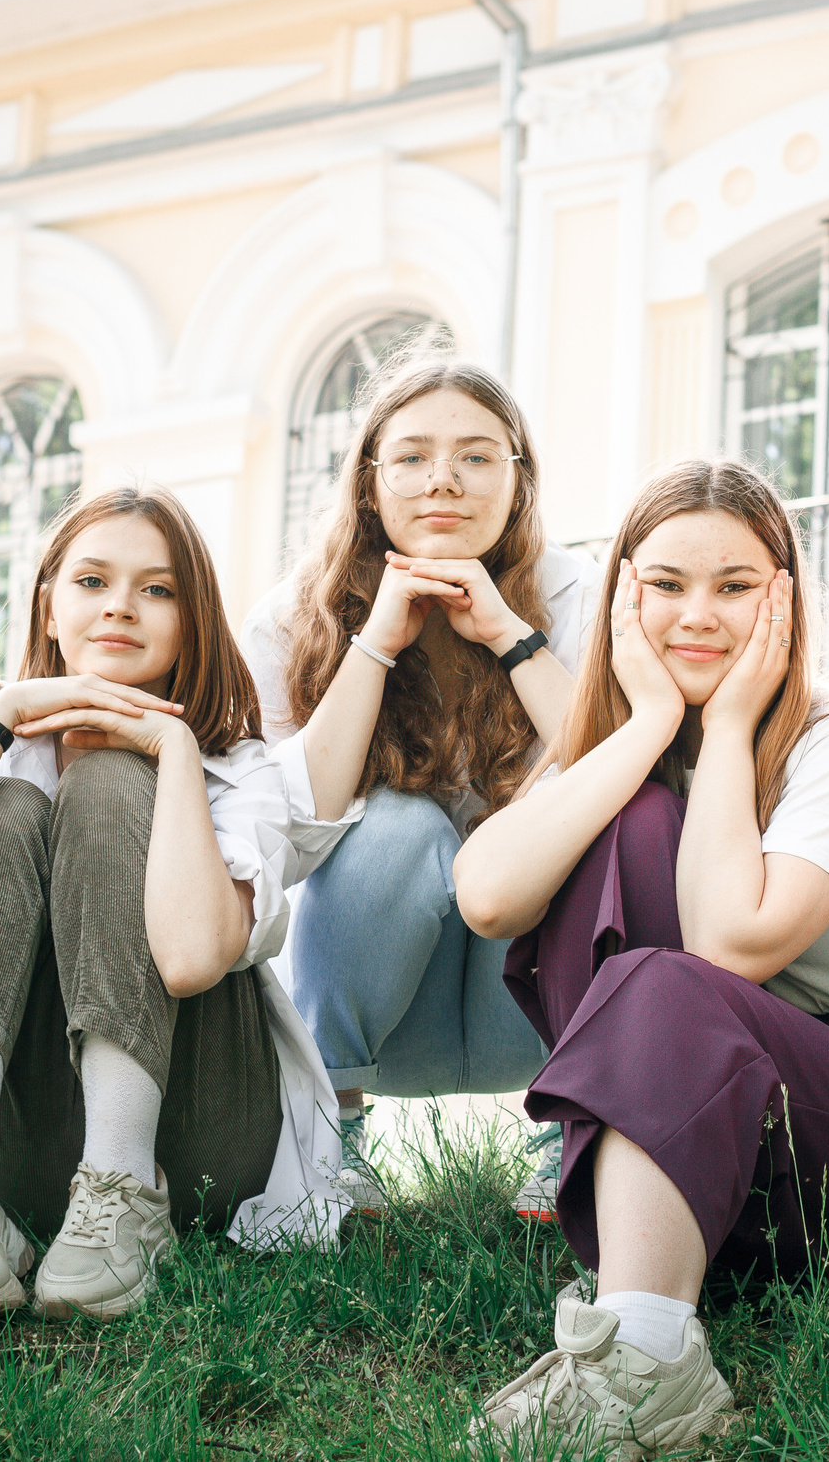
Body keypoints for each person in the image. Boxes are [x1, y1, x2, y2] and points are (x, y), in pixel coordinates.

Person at [451, 459, 829, 1458]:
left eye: (735, 587)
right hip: (717, 1135)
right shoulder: (623, 745)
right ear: (622, 596)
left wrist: (732, 724)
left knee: (661, 970)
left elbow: (727, 945)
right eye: (665, 585)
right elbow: (487, 895)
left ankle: (644, 1361)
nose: (697, 615)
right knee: (629, 813)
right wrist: (649, 724)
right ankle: (645, 1273)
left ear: (783, 598)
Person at [0, 485, 323, 1327]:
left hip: (197, 1133)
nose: (120, 607)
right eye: (92, 581)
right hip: (18, 1137)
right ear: (48, 603)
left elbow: (188, 958)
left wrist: (173, 750)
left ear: (191, 617)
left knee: (111, 779)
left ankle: (124, 1195)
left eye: (157, 588)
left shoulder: (241, 765)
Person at [244, 351, 593, 1219]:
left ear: (518, 480)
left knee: (575, 813)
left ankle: (580, 1128)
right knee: (393, 827)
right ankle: (331, 1138)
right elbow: (285, 831)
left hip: (533, 997)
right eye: (412, 457)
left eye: (478, 456)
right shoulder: (292, 617)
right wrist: (374, 645)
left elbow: (620, 777)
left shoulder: (577, 592)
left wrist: (510, 633)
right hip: (373, 1001)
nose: (445, 480)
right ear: (369, 482)